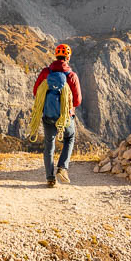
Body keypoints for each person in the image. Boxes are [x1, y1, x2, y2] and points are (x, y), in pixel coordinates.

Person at [33, 43, 81, 187]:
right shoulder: (71, 76)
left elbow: (36, 92)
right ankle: (62, 167)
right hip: (65, 116)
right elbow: (77, 101)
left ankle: (50, 178)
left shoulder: (45, 73)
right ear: (68, 57)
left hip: (48, 115)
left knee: (49, 145)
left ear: (56, 55)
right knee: (69, 138)